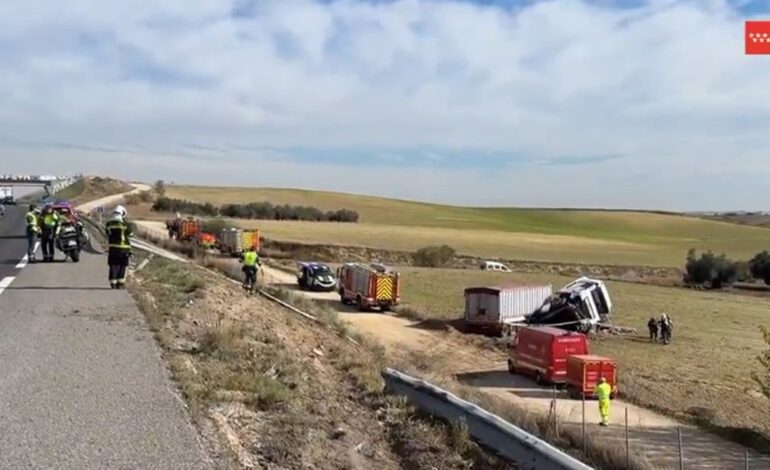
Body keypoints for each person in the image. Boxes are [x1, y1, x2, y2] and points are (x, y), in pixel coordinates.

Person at [105, 205, 132, 289]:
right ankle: (120, 283)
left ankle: (113, 283)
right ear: (123, 214)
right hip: (124, 248)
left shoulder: (108, 224)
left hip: (112, 248)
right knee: (123, 266)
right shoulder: (125, 224)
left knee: (113, 265)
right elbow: (131, 234)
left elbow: (107, 232)